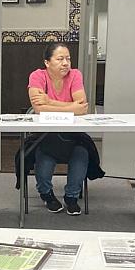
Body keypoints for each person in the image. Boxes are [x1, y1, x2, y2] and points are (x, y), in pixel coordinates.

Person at [27, 42, 98, 215]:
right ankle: (47, 194)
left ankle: (71, 196)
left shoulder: (75, 75)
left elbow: (82, 108)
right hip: (46, 135)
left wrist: (50, 102)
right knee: (44, 157)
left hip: (72, 136)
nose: (66, 63)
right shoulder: (37, 76)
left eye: (68, 58)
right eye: (60, 59)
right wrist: (70, 108)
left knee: (82, 154)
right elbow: (38, 109)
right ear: (47, 62)